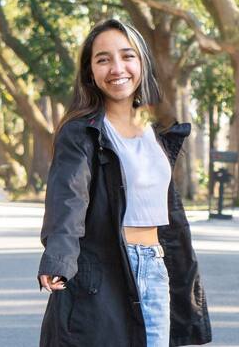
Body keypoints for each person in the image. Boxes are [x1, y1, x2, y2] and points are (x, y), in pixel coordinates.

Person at [37, 18, 212, 347]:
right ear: (90, 72)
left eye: (127, 56)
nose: (117, 67)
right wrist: (58, 257)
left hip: (155, 267)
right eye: (103, 59)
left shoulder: (156, 132)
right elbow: (69, 196)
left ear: (142, 62)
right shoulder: (82, 132)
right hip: (103, 273)